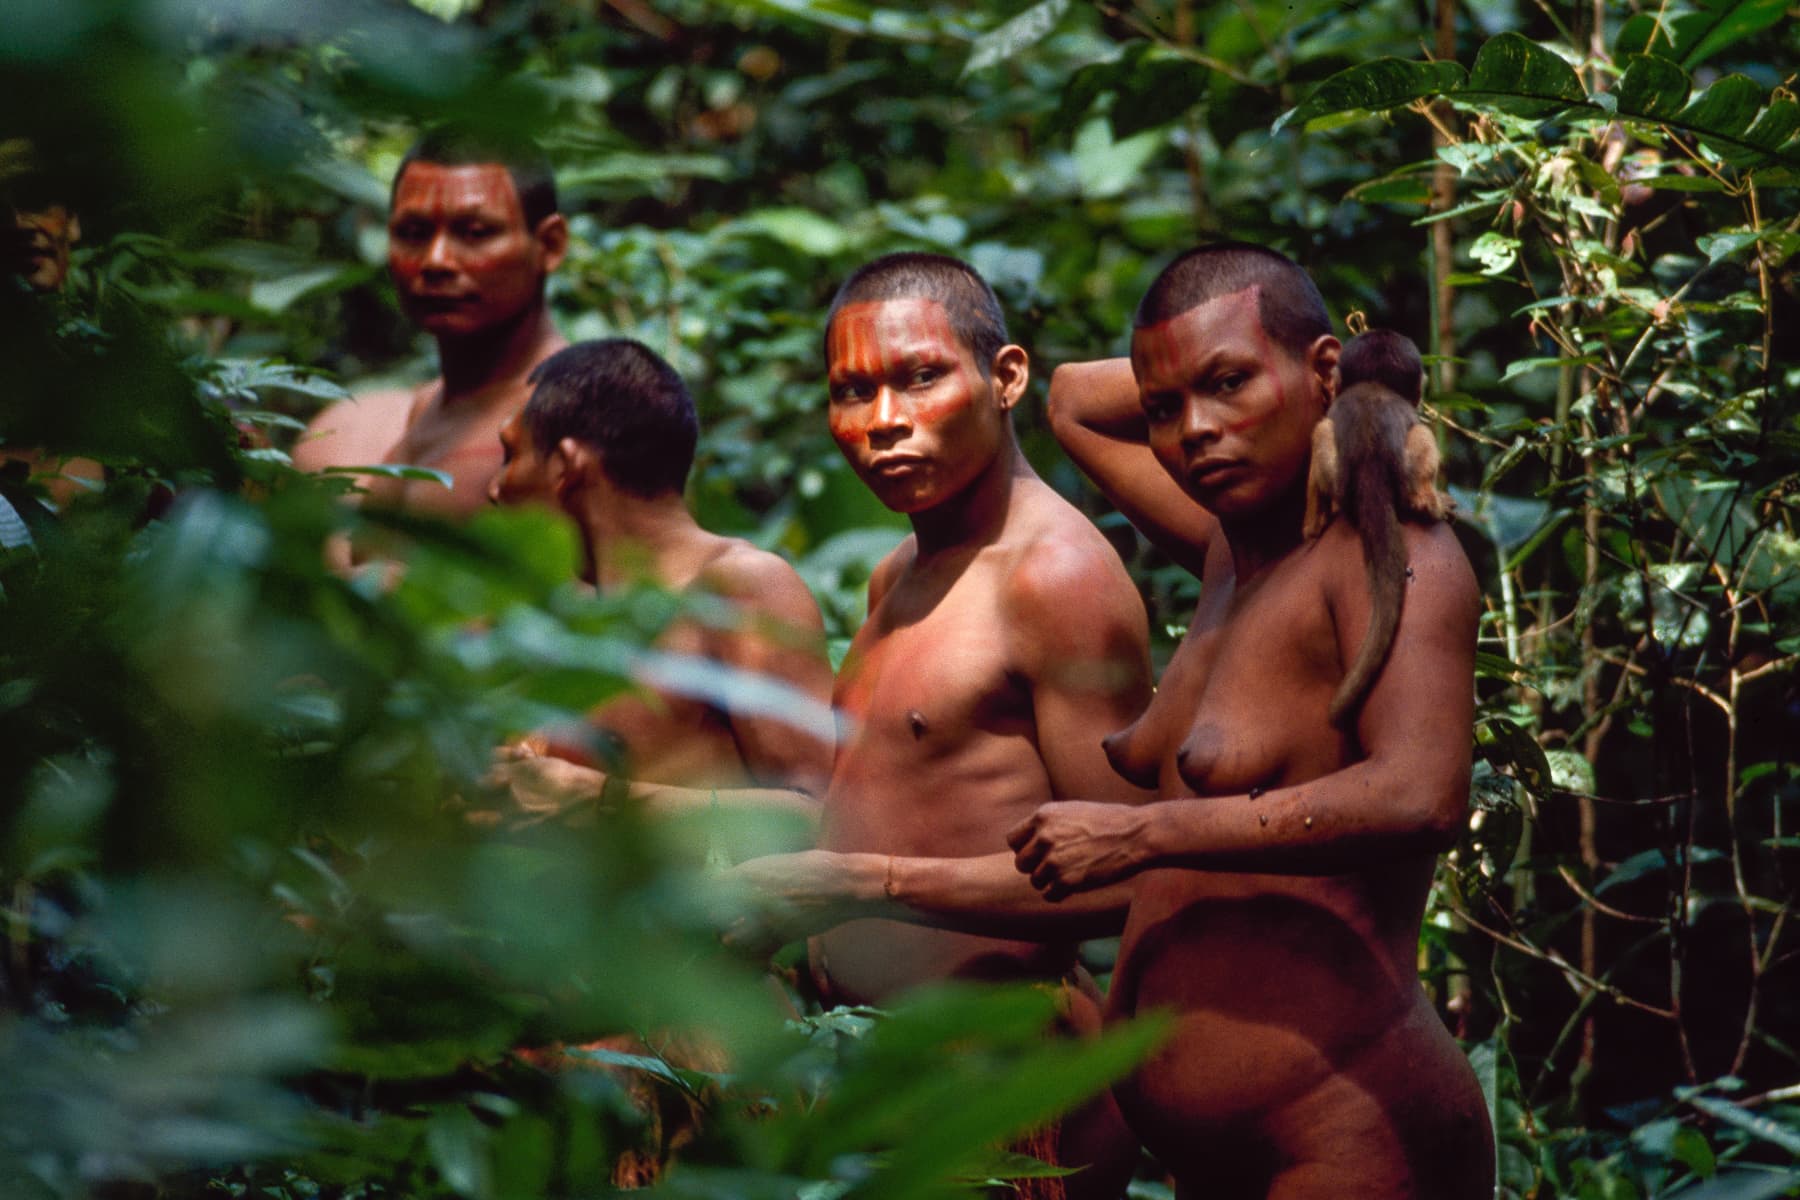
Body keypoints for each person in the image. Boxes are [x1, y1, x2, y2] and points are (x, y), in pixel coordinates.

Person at [998, 242, 1494, 1198]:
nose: (1194, 433)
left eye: (1229, 386)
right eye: (1166, 409)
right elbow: (1067, 399)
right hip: (1209, 1160)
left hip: (1349, 1132)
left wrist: (1143, 833)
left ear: (1319, 374)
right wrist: (1196, 363)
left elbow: (1422, 794)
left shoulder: (1391, 558)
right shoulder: (1232, 550)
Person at [737, 252, 1157, 1200]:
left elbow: (1128, 873)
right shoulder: (900, 573)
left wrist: (862, 885)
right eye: (853, 391)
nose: (884, 421)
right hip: (878, 1080)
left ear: (1005, 378)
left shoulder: (1054, 577)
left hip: (1005, 1087)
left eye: (921, 377)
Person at [485, 337, 834, 837]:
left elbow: (812, 812)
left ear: (566, 465)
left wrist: (595, 798)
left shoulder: (738, 586)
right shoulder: (566, 615)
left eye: (510, 455)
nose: (495, 488)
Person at [294, 124, 568, 525]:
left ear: (550, 245)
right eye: (413, 233)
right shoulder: (342, 433)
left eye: (475, 233)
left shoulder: (586, 440)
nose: (436, 260)